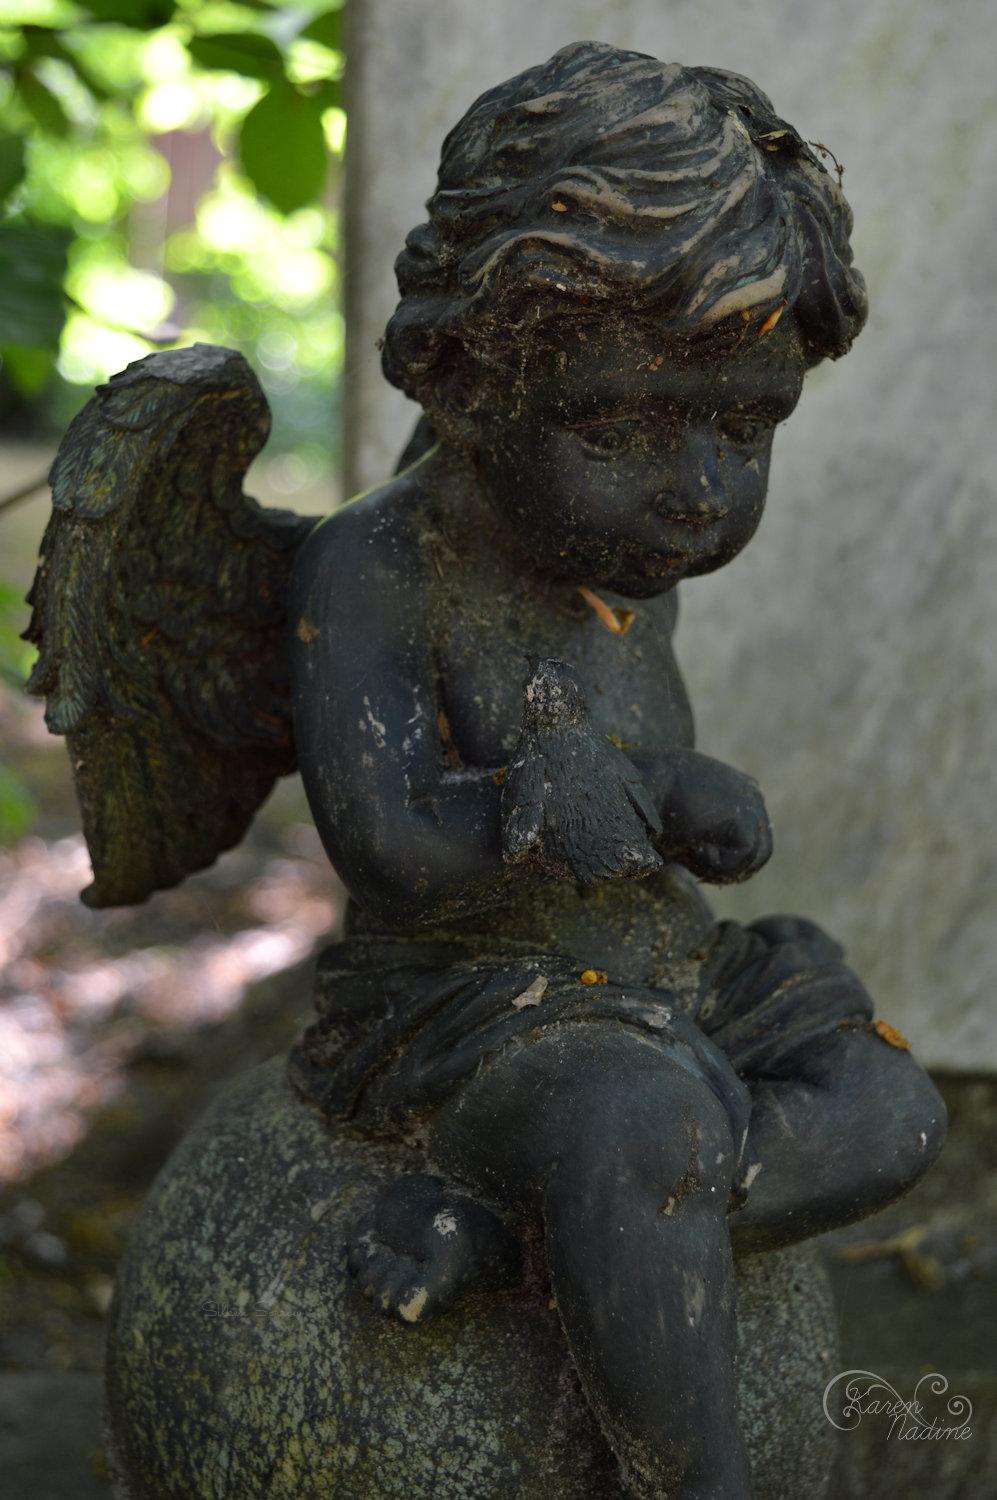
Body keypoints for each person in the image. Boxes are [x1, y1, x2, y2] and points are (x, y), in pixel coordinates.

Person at [288, 43, 945, 1500]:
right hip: (467, 1008)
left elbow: (633, 782)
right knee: (641, 1126)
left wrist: (679, 813)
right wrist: (598, 802)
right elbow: (387, 842)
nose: (698, 492)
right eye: (617, 427)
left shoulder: (624, 553)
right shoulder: (379, 564)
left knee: (889, 1107)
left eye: (743, 428)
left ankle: (552, 1226)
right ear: (465, 382)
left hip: (654, 966)